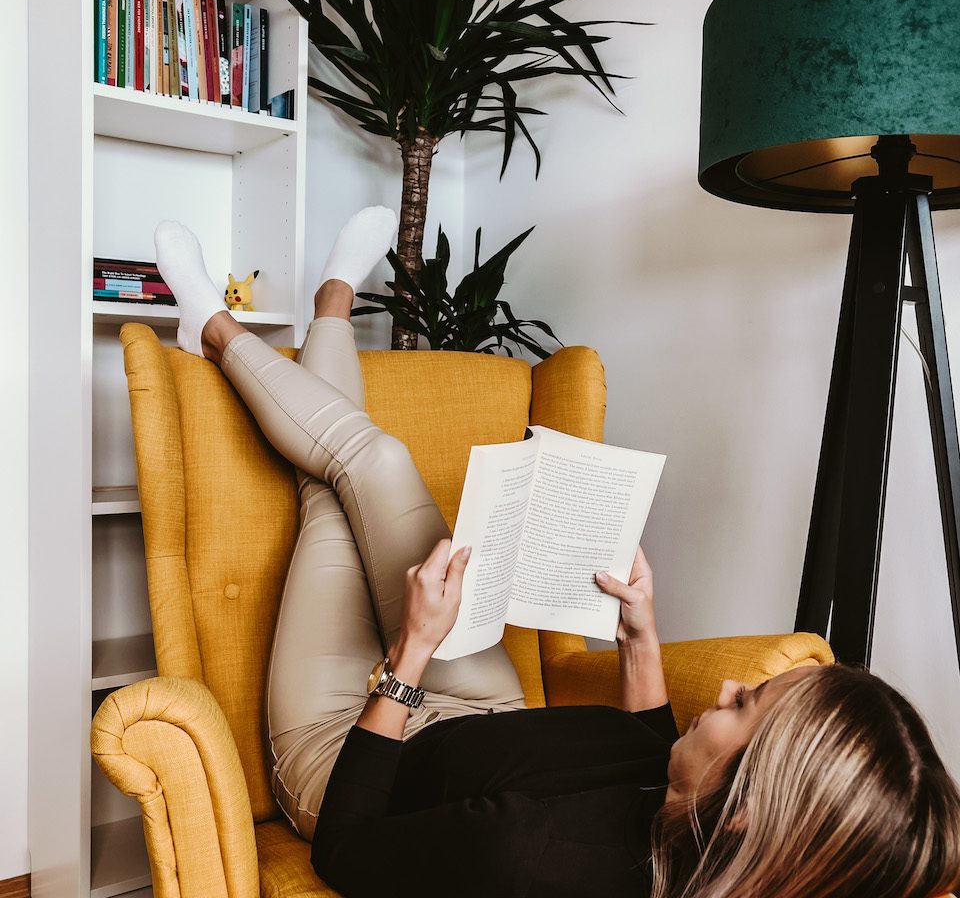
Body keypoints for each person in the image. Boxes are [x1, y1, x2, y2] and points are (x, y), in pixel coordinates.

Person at [154, 210, 960, 898]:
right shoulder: (706, 833)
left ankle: (218, 325)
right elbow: (649, 758)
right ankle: (323, 302)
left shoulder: (530, 863)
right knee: (361, 472)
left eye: (746, 708)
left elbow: (346, 848)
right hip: (487, 716)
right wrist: (639, 635)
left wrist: (412, 652)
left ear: (750, 806)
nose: (726, 687)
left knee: (341, 488)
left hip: (350, 756)